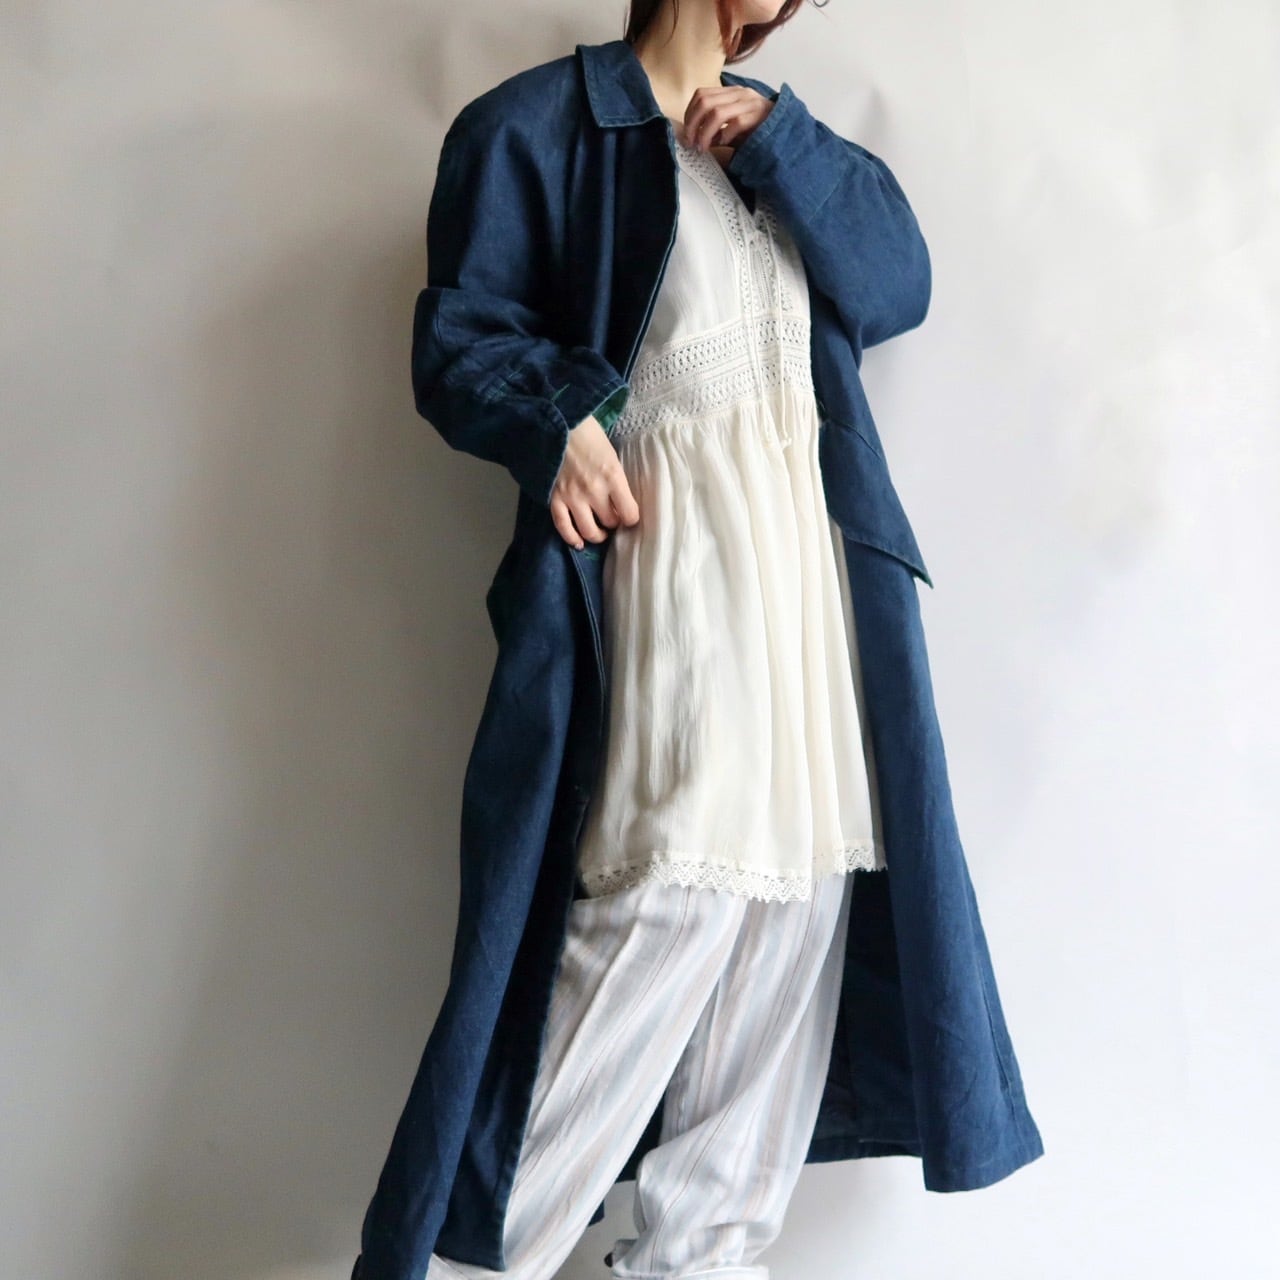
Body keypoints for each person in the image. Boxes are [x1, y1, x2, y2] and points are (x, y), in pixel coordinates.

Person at [427, 3, 884, 1279]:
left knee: (788, 919)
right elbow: (457, 336)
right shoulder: (540, 126)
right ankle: (469, 1261)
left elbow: (894, 281)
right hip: (675, 564)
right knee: (671, 894)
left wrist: (781, 144)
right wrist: (556, 420)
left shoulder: (778, 141)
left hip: (804, 592)